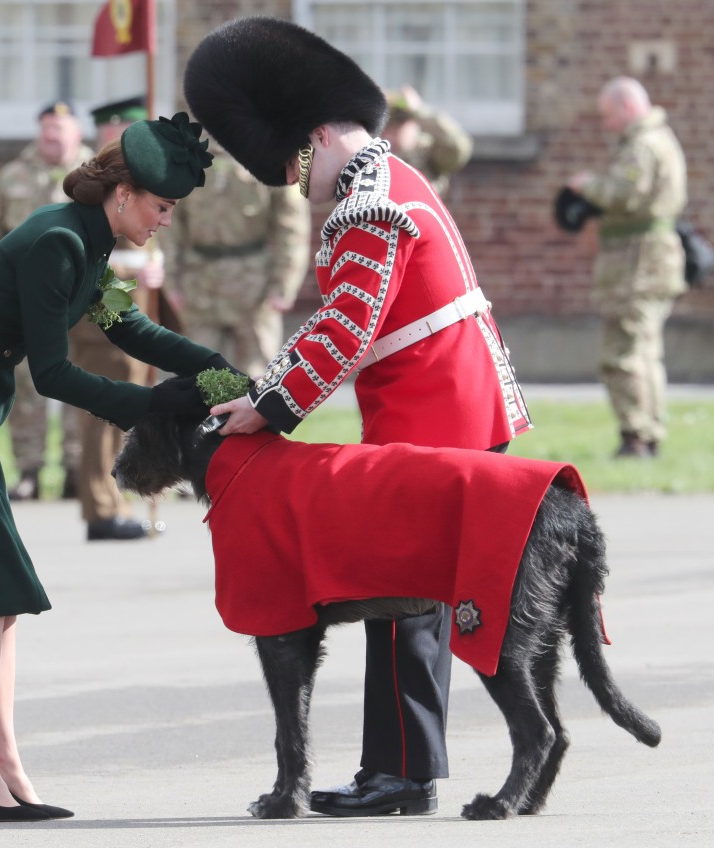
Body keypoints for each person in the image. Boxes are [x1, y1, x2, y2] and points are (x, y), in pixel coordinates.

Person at [184, 16, 532, 817]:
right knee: (412, 600)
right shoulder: (387, 178)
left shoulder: (367, 200)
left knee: (406, 599)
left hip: (435, 410)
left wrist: (267, 410)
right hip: (438, 404)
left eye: (290, 164)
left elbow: (346, 325)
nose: (290, 181)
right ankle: (400, 768)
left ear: (312, 137)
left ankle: (402, 776)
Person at [0, 112, 230, 822]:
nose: (164, 221)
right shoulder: (60, 242)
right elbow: (54, 375)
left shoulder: (86, 243)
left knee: (1, 594)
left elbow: (130, 327)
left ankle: (1, 763)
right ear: (123, 193)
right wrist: (151, 407)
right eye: (161, 206)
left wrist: (217, 374)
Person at [0, 100, 94, 501]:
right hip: (24, 301)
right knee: (27, 386)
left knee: (80, 379)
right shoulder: (12, 177)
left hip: (80, 300)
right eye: (46, 128)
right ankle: (28, 468)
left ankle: (78, 469)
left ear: (77, 132)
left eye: (60, 128)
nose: (52, 136)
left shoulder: (99, 176)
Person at [567, 76, 688, 458]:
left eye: (608, 116)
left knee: (626, 351)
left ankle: (636, 436)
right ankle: (647, 433)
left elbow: (625, 194)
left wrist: (589, 185)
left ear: (628, 107)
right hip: (648, 262)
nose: (606, 126)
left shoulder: (644, 145)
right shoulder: (656, 140)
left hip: (638, 266)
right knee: (644, 350)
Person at [69, 95, 161, 540]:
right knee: (101, 418)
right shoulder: (87, 181)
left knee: (127, 415)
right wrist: (137, 268)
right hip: (99, 320)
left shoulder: (136, 181)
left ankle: (114, 499)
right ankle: (100, 508)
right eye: (121, 129)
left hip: (133, 316)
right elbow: (78, 249)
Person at [161, 145, 312, 377]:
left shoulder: (271, 156)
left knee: (258, 377)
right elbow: (170, 223)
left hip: (254, 285)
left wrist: (284, 285)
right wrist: (171, 281)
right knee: (197, 375)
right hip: (199, 284)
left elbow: (291, 227)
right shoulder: (188, 156)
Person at [380, 85, 473, 200]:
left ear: (414, 122)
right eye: (386, 125)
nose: (392, 132)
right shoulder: (376, 155)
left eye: (399, 123)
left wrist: (419, 111)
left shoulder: (429, 152)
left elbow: (458, 147)